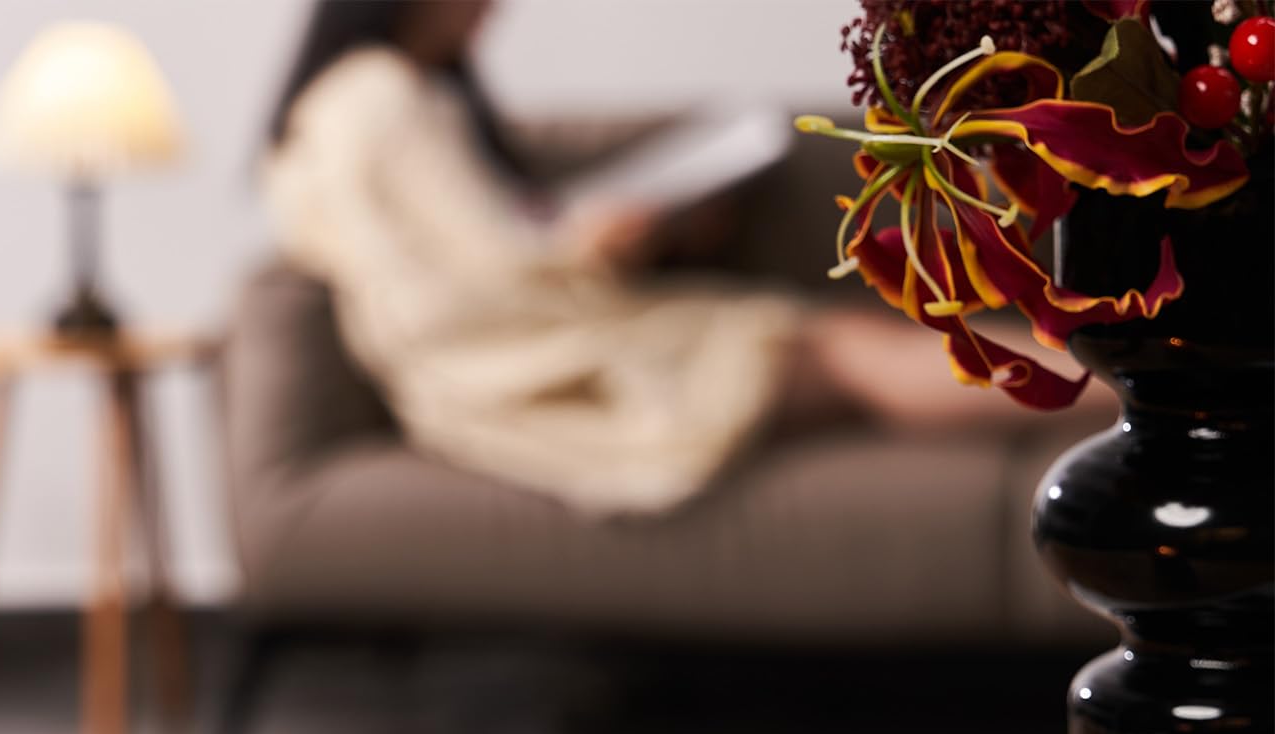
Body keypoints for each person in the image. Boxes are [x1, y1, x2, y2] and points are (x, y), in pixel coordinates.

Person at [261, 0, 1037, 516]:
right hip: (525, 359)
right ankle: (1103, 383)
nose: (494, 7)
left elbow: (478, 238)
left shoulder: (391, 96)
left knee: (850, 343)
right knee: (851, 351)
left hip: (545, 330)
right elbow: (475, 273)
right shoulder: (379, 97)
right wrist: (590, 247)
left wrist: (623, 237)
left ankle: (1094, 380)